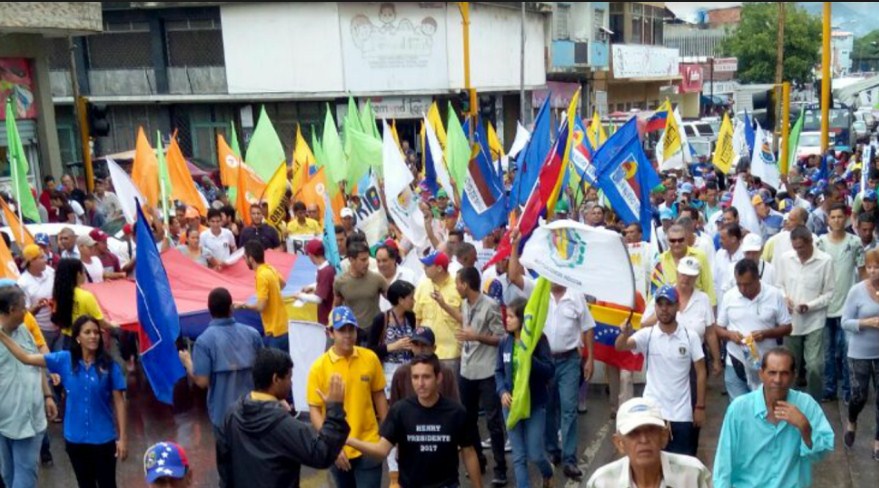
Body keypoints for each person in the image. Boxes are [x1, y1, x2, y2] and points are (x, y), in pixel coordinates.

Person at [0, 312, 127, 488]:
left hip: (104, 439)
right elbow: (26, 358)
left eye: (96, 332)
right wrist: (2, 335)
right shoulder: (64, 360)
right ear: (77, 338)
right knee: (85, 484)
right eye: (87, 332)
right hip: (75, 440)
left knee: (108, 484)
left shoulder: (109, 365)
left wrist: (123, 439)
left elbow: (119, 402)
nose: (93, 336)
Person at [345, 354, 484, 488]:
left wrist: (478, 486)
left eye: (426, 377)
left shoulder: (456, 412)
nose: (420, 383)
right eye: (415, 377)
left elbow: (469, 452)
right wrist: (348, 440)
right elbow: (382, 450)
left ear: (439, 378)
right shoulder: (400, 411)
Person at [219, 348, 350, 488]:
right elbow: (321, 454)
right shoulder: (282, 424)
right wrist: (335, 410)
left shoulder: (232, 414)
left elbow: (225, 466)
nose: (291, 383)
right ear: (276, 379)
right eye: (289, 377)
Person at [713, 348, 834, 488]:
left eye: (784, 373)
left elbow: (822, 453)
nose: (777, 380)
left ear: (794, 376)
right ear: (761, 374)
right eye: (772, 373)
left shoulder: (806, 405)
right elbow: (723, 465)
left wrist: (805, 427)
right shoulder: (739, 409)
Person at [616, 285, 707, 456]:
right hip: (653, 414)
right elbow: (620, 347)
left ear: (677, 306)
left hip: (682, 415)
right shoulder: (647, 335)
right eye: (660, 304)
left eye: (669, 304)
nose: (664, 309)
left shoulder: (690, 336)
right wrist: (625, 334)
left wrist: (700, 407)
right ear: (655, 307)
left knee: (681, 469)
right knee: (654, 468)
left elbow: (701, 372)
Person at [178, 287, 262, 465]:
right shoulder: (252, 334)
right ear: (231, 308)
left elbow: (202, 381)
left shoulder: (204, 341)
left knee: (229, 466)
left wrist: (188, 363)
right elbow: (264, 371)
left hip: (223, 417)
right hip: (254, 412)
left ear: (209, 311)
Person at [307, 306, 387, 488]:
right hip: (338, 449)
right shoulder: (319, 368)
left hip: (369, 444)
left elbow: (379, 396)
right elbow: (315, 410)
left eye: (351, 329)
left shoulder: (370, 358)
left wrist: (386, 433)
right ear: (330, 333)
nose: (348, 335)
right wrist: (331, 445)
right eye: (341, 330)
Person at [453, 267, 508, 486]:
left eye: (458, 283)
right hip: (467, 370)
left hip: (486, 371)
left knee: (493, 421)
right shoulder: (465, 304)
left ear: (466, 284)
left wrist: (476, 336)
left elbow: (501, 338)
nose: (456, 287)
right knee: (468, 420)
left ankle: (501, 467)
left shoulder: (490, 305)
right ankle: (478, 460)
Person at [585, 397, 712, 488]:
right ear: (619, 443)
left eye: (651, 431)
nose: (644, 440)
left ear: (664, 437)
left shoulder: (693, 475)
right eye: (633, 433)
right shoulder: (602, 482)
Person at [0, 285, 57, 488]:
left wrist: (47, 395)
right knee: (8, 476)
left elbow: (35, 362)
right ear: (11, 310)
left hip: (29, 420)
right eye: (23, 307)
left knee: (23, 479)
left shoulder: (24, 331)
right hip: (3, 424)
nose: (27, 311)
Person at [495, 299, 555, 488]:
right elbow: (498, 371)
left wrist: (530, 359)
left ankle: (548, 471)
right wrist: (502, 391)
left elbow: (549, 369)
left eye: (512, 316)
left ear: (523, 319)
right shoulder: (505, 341)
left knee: (535, 453)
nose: (507, 320)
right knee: (518, 457)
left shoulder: (538, 339)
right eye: (507, 316)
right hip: (510, 405)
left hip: (535, 404)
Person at [717, 259, 793, 398]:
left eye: (747, 284)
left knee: (766, 404)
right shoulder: (729, 296)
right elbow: (718, 328)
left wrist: (766, 334)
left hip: (767, 363)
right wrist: (730, 335)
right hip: (736, 360)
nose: (742, 289)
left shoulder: (774, 295)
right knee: (738, 406)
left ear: (757, 278)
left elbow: (787, 327)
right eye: (739, 284)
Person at [775, 225, 835, 400]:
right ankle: (789, 401)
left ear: (810, 243)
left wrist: (810, 306)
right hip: (790, 321)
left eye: (801, 247)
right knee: (789, 365)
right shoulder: (786, 259)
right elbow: (779, 285)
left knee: (815, 366)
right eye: (795, 248)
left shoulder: (825, 260)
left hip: (814, 320)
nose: (798, 251)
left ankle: (814, 402)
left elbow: (830, 293)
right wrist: (784, 298)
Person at [543, 282, 595, 480]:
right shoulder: (540, 294)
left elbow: (588, 327)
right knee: (548, 407)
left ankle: (570, 459)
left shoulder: (575, 296)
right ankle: (552, 451)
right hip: (546, 360)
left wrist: (590, 358)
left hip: (569, 361)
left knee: (569, 409)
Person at [817, 203, 865, 403]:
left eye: (839, 217)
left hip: (848, 308)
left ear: (845, 219)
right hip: (825, 307)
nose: (836, 220)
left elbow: (862, 272)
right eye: (833, 217)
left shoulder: (855, 243)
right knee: (827, 353)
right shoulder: (820, 243)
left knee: (846, 352)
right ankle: (829, 389)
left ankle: (847, 391)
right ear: (828, 220)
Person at [840, 248, 879, 459]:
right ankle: (852, 420)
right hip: (860, 352)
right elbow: (845, 321)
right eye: (869, 267)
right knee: (859, 394)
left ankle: (877, 441)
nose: (873, 271)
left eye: (877, 267)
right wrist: (866, 322)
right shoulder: (857, 291)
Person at [51, 259, 116, 349]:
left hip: (66, 339)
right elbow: (100, 322)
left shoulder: (59, 294)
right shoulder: (86, 296)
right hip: (84, 341)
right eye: (83, 271)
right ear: (78, 274)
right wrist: (114, 324)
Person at [414, 251, 463, 372]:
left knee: (450, 389)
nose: (424, 268)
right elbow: (418, 318)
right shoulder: (422, 285)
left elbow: (466, 319)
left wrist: (445, 305)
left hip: (450, 354)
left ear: (439, 268)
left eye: (428, 266)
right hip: (426, 353)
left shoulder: (457, 287)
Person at [334, 242, 388, 343]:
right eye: (362, 260)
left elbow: (393, 299)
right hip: (353, 331)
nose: (367, 263)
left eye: (367, 259)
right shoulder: (340, 282)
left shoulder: (377, 279)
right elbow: (337, 307)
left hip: (375, 330)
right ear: (351, 260)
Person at [367, 280, 415, 393]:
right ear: (401, 300)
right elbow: (370, 349)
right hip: (388, 370)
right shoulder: (381, 319)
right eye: (411, 298)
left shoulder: (411, 317)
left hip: (410, 368)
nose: (414, 301)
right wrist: (392, 346)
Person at [239, 241, 288, 351]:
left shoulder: (261, 275)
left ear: (251, 258)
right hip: (284, 327)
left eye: (245, 257)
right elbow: (283, 284)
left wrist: (243, 306)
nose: (245, 260)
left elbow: (261, 306)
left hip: (274, 332)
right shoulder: (270, 269)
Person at [655, 224, 716, 306]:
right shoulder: (660, 260)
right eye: (673, 240)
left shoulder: (700, 256)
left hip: (697, 307)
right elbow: (654, 291)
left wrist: (713, 310)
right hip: (668, 310)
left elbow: (708, 287)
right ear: (667, 241)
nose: (677, 244)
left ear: (686, 239)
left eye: (680, 240)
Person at [17, 244, 58, 350]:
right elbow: (23, 315)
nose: (45, 260)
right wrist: (37, 307)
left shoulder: (50, 271)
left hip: (59, 327)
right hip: (40, 330)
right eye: (41, 257)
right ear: (31, 262)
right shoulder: (23, 283)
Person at [294, 239, 336, 325]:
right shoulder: (327, 267)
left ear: (311, 255)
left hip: (327, 317)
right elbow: (323, 284)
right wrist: (311, 286)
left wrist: (301, 296)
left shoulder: (325, 272)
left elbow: (318, 299)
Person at [375, 243, 417, 312]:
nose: (381, 264)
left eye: (384, 260)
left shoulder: (408, 275)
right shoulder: (372, 277)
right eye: (378, 261)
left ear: (393, 259)